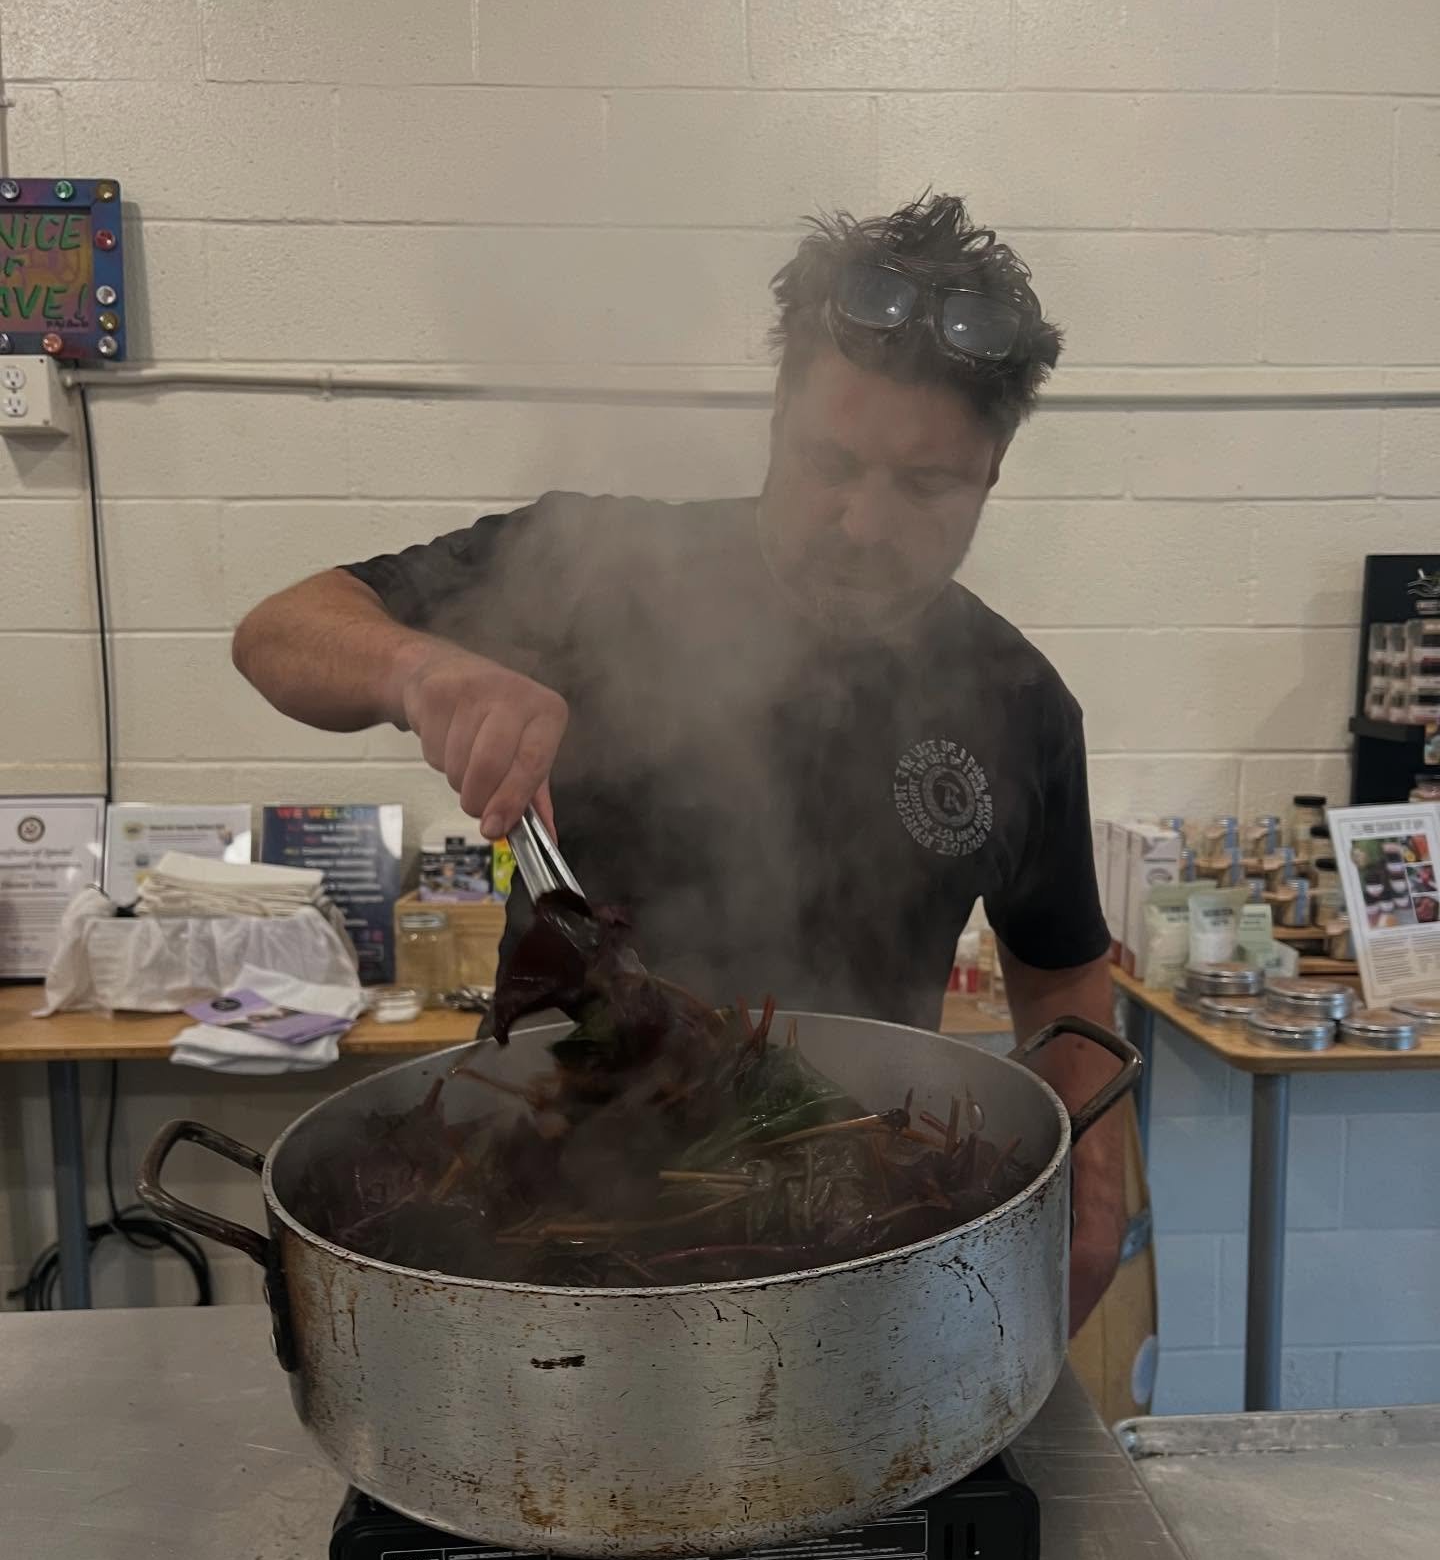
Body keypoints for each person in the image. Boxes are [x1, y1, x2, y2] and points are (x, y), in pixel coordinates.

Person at [234, 194, 1124, 1329]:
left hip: (852, 1229)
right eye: (829, 462)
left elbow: (1060, 974)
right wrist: (419, 671)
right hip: (543, 1221)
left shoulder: (1019, 702)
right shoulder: (599, 566)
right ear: (775, 420)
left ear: (992, 476)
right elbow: (279, 631)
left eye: (926, 486)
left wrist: (1095, 1188)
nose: (861, 523)